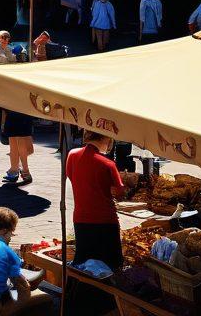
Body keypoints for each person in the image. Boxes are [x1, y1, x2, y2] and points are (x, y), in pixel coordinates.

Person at [65, 131, 125, 313]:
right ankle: (106, 304)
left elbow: (71, 177)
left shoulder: (72, 155)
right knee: (110, 263)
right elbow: (119, 192)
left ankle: (77, 302)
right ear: (106, 139)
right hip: (105, 220)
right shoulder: (108, 163)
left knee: (83, 260)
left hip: (81, 217)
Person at [1, 110, 34, 185]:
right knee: (12, 136)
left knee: (21, 136)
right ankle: (15, 169)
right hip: (12, 107)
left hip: (22, 108)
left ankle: (24, 170)